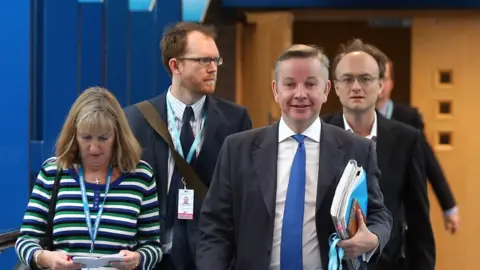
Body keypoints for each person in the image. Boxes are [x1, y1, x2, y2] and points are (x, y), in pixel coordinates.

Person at [196, 44, 392, 270]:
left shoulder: (357, 149)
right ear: (276, 90)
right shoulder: (237, 149)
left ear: (326, 90)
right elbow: (215, 227)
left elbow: (380, 214)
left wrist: (374, 238)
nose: (300, 94)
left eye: (310, 84)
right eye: (290, 84)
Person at [124, 22, 252, 270]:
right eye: (204, 60)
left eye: (216, 60)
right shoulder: (135, 120)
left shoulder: (236, 119)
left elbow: (243, 191)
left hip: (211, 256)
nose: (213, 68)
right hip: (149, 254)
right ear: (175, 65)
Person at [15, 87, 162, 270]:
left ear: (117, 137)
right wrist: (46, 258)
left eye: (103, 138)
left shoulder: (140, 176)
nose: (94, 148)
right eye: (86, 137)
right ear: (73, 135)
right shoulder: (53, 172)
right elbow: (25, 240)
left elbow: (153, 247)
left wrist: (138, 258)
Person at [322, 39, 435, 270]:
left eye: (365, 79)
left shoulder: (406, 139)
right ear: (335, 86)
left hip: (388, 263)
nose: (356, 87)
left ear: (381, 85)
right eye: (347, 79)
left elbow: (419, 220)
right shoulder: (318, 135)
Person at [376, 60, 460, 234]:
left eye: (383, 79)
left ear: (391, 83)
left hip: (399, 206)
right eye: (373, 78)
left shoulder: (408, 117)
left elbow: (428, 159)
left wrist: (449, 206)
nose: (379, 84)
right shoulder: (351, 117)